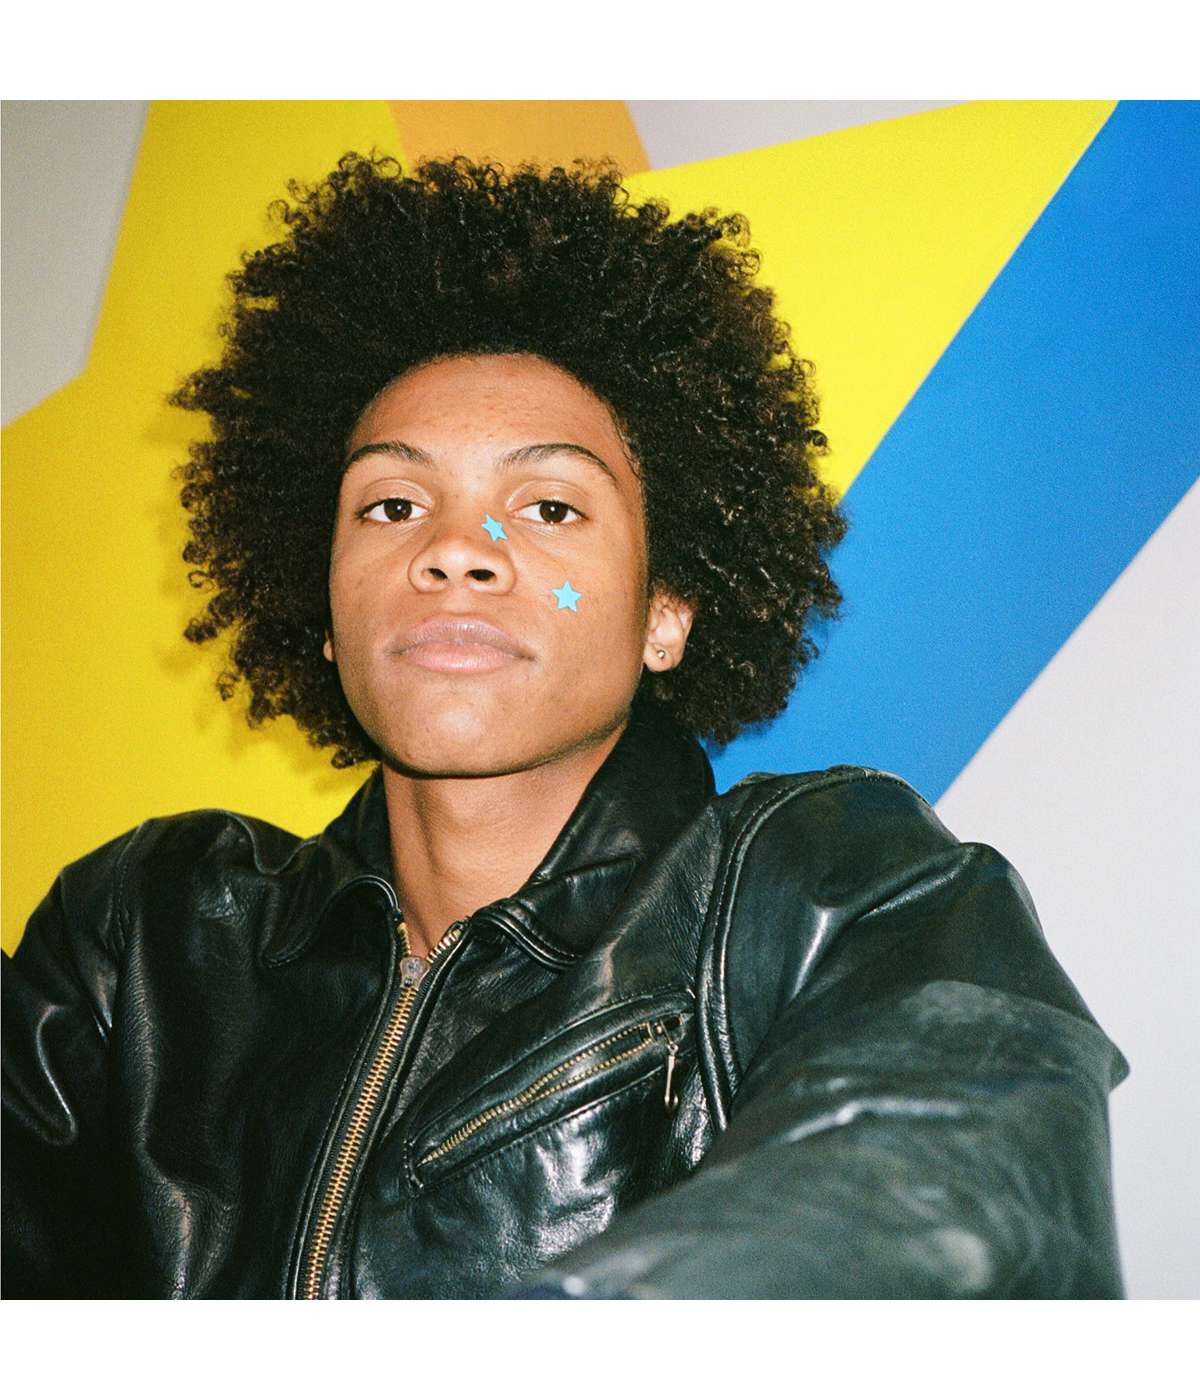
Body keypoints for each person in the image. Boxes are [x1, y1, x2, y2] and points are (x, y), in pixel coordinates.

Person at [2, 153, 1127, 1299]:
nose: (456, 548)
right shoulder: (143, 938)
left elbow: (964, 1205)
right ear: (326, 611)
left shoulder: (826, 888)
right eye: (391, 504)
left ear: (667, 611)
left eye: (547, 505)